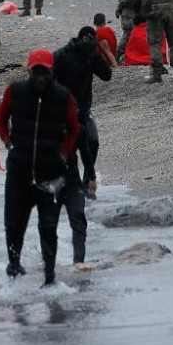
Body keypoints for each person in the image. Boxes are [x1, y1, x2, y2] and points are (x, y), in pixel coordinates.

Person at [0, 49, 80, 287]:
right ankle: (13, 265)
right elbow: (0, 120)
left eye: (45, 72)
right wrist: (8, 142)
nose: (41, 77)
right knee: (13, 224)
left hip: (50, 173)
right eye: (36, 71)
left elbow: (74, 129)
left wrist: (63, 154)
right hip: (19, 171)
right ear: (29, 71)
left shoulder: (64, 97)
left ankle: (50, 277)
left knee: (48, 227)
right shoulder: (15, 91)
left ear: (52, 71)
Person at [53, 27, 113, 270]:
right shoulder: (63, 54)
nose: (90, 43)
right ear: (78, 39)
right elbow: (50, 77)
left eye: (93, 41)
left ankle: (88, 178)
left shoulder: (92, 56)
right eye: (87, 41)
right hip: (62, 112)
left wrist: (98, 54)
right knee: (68, 151)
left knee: (92, 141)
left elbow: (107, 76)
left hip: (83, 111)